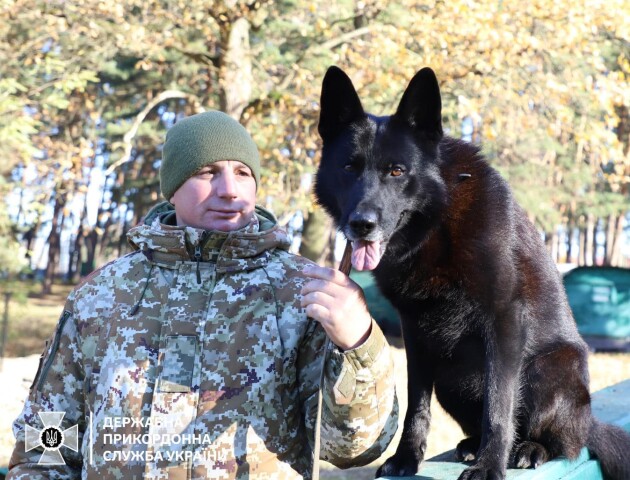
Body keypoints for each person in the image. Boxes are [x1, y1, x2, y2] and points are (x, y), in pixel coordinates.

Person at [8, 110, 399, 479]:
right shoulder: (102, 294)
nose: (229, 190)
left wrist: (358, 344)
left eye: (243, 173)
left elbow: (352, 448)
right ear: (173, 188)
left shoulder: (303, 292)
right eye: (207, 172)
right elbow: (48, 438)